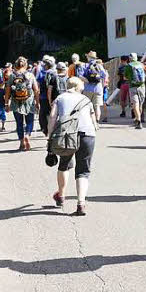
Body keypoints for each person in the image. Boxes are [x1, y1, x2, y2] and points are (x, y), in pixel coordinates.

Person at [48, 76, 99, 216]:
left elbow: (53, 117)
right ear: (78, 87)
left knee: (64, 164)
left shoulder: (60, 98)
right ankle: (81, 204)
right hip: (87, 135)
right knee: (83, 170)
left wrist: (50, 136)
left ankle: (62, 195)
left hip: (67, 135)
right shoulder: (86, 99)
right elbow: (94, 120)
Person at [6, 56, 40, 151]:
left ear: (16, 65)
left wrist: (6, 103)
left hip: (16, 101)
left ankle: (21, 142)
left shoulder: (12, 76)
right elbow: (36, 90)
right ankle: (27, 135)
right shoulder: (30, 75)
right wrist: (37, 102)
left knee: (19, 123)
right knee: (29, 121)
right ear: (26, 65)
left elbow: (8, 90)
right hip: (29, 101)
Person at [76, 51, 107, 124]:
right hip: (98, 88)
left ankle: (89, 121)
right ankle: (97, 121)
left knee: (86, 106)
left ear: (89, 57)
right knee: (97, 106)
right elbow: (104, 75)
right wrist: (97, 78)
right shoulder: (99, 65)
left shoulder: (85, 65)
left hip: (87, 88)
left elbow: (80, 76)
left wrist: (87, 81)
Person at [125, 53, 146, 129]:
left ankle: (138, 121)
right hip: (142, 86)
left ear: (130, 58)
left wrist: (130, 78)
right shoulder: (141, 65)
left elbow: (125, 77)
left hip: (132, 87)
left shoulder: (128, 66)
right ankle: (138, 118)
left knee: (135, 104)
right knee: (140, 104)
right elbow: (145, 74)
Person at [37, 55, 56, 136]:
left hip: (44, 97)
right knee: (53, 114)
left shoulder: (42, 74)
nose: (43, 66)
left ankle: (46, 131)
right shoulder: (55, 73)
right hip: (55, 97)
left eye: (44, 65)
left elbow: (37, 86)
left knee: (43, 115)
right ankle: (54, 130)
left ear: (47, 65)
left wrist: (36, 99)